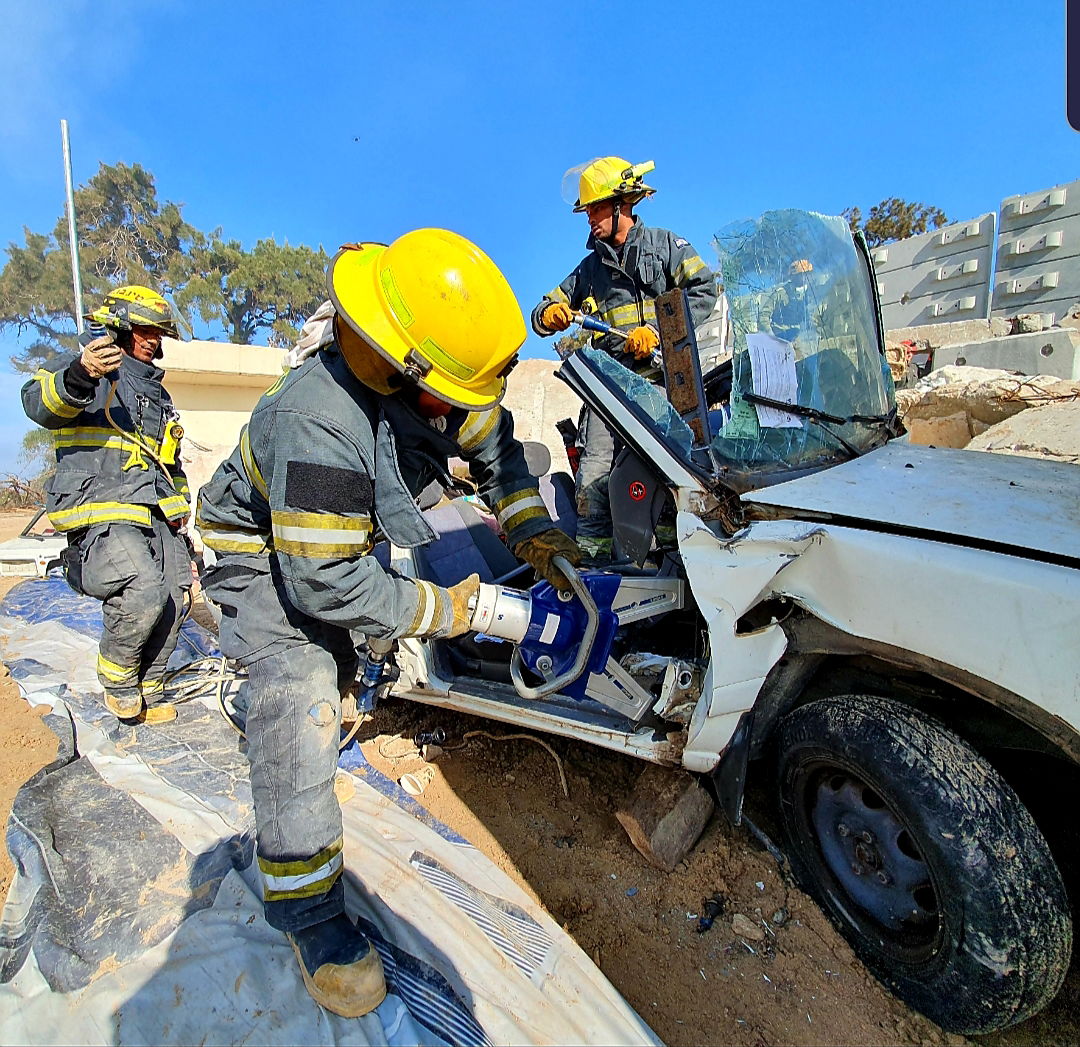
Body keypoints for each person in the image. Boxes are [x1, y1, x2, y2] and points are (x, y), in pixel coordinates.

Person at [195, 228, 582, 1018]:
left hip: (330, 538)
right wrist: (446, 608)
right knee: (303, 684)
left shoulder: (436, 384)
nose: (465, 414)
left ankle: (331, 682)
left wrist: (533, 532)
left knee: (352, 646)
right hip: (260, 549)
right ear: (404, 373)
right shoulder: (318, 419)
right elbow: (325, 579)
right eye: (454, 398)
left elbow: (500, 455)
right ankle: (308, 911)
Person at [530, 157, 717, 563]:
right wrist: (549, 314)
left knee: (665, 474)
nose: (590, 218)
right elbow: (542, 312)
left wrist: (657, 330)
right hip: (608, 392)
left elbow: (704, 289)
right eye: (587, 211)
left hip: (660, 387)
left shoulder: (665, 247)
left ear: (622, 205)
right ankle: (593, 567)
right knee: (594, 476)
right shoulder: (589, 269)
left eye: (596, 208)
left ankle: (671, 560)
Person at [21, 285, 192, 724]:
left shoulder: (158, 396)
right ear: (119, 327)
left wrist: (180, 505)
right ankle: (118, 684)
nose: (154, 340)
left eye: (158, 333)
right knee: (144, 587)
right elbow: (38, 403)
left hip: (151, 509)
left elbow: (168, 461)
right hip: (101, 505)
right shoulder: (87, 368)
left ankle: (149, 687)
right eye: (145, 331)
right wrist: (82, 374)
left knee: (176, 595)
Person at [768, 258, 815, 342]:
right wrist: (771, 337)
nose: (806, 277)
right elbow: (763, 316)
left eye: (808, 274)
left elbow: (810, 316)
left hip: (800, 337)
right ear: (794, 276)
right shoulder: (781, 293)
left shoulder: (810, 293)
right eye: (802, 274)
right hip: (781, 336)